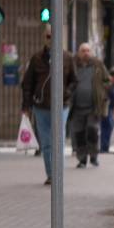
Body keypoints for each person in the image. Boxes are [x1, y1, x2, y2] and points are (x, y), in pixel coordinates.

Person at [21, 26, 76, 185]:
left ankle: (59, 175)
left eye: (54, 35)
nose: (51, 39)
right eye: (48, 36)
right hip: (41, 106)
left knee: (58, 140)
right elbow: (27, 83)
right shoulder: (37, 58)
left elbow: (74, 80)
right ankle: (51, 174)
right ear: (44, 38)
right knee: (46, 142)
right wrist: (26, 106)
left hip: (61, 106)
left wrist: (67, 92)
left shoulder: (67, 57)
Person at [68, 43, 111, 169]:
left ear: (91, 52)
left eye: (88, 50)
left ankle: (94, 156)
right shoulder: (73, 65)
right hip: (76, 108)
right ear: (78, 53)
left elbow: (107, 80)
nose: (86, 53)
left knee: (93, 131)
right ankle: (82, 159)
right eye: (83, 51)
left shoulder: (98, 65)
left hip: (93, 107)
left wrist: (103, 91)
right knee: (79, 134)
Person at [100, 66, 114, 154]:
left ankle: (105, 147)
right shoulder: (109, 83)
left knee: (108, 126)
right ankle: (104, 147)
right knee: (107, 126)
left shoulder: (113, 83)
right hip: (107, 106)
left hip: (108, 106)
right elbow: (113, 96)